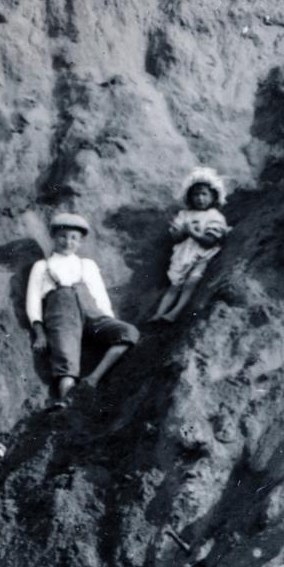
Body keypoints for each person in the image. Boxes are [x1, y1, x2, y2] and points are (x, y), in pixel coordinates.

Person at [26, 213, 139, 403]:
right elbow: (33, 301)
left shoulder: (87, 264)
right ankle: (66, 402)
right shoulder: (42, 266)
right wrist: (39, 332)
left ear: (80, 242)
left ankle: (93, 378)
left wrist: (108, 319)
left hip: (92, 313)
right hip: (61, 315)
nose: (67, 242)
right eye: (63, 236)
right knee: (66, 357)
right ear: (53, 237)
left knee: (128, 332)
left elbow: (100, 295)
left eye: (74, 238)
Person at [149, 167, 229, 323]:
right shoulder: (184, 215)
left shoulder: (214, 216)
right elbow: (176, 238)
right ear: (190, 197)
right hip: (183, 254)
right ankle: (159, 313)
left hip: (202, 254)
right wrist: (181, 232)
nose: (200, 198)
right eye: (196, 194)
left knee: (191, 281)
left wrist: (192, 232)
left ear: (213, 197)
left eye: (204, 194)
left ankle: (175, 312)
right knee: (175, 284)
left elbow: (210, 241)